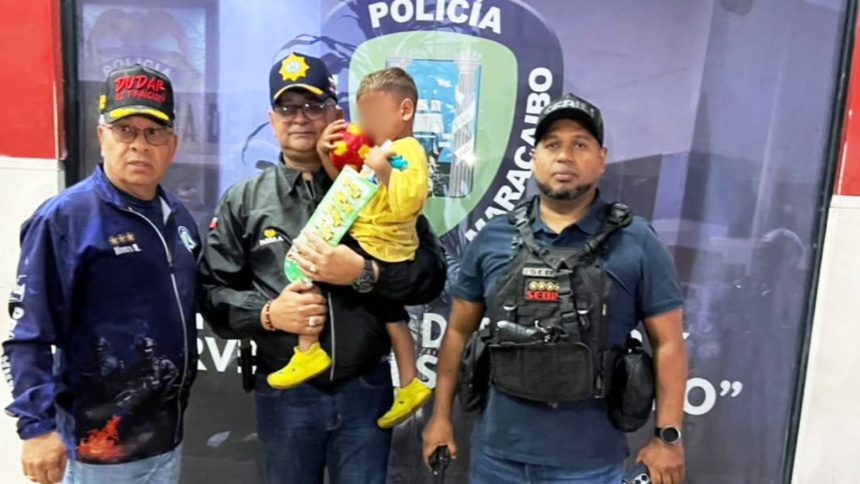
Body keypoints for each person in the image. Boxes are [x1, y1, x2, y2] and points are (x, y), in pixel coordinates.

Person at [197, 52, 446, 484]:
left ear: (337, 114)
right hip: (286, 392)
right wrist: (269, 314)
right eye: (286, 107)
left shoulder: (375, 183)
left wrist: (366, 273)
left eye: (313, 105)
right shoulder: (245, 200)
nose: (300, 118)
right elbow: (212, 293)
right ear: (272, 119)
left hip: (365, 388)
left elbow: (430, 274)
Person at [422, 93, 688, 484]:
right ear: (534, 158)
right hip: (498, 458)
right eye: (552, 145)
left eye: (580, 144)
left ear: (601, 159)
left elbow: (668, 343)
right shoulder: (494, 237)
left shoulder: (637, 241)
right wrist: (440, 417)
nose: (564, 156)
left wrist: (668, 437)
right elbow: (459, 331)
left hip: (590, 464)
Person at [2, 65, 200, 484]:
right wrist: (37, 428)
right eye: (125, 130)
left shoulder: (178, 217)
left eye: (154, 132)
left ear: (172, 145)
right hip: (98, 450)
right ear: (102, 136)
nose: (139, 145)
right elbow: (28, 335)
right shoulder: (66, 219)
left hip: (167, 439)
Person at [269, 66, 432, 429]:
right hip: (369, 235)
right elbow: (349, 184)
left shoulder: (407, 151)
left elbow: (410, 201)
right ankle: (410, 383)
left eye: (374, 114)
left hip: (382, 245)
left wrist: (384, 169)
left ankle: (309, 349)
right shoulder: (383, 150)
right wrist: (328, 154)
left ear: (405, 110)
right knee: (391, 315)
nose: (366, 123)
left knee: (311, 266)